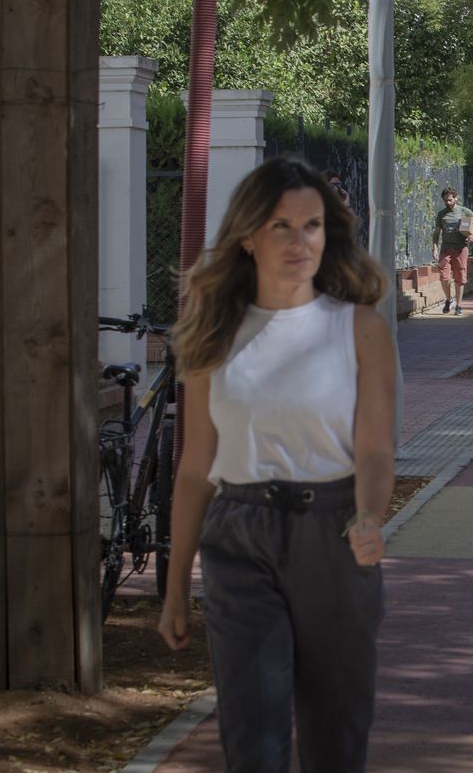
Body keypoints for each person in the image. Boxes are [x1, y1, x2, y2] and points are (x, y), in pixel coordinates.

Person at [159, 156, 395, 772]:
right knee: (254, 731)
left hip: (335, 530)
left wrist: (369, 515)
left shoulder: (362, 331)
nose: (300, 242)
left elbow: (374, 449)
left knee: (335, 732)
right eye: (281, 226)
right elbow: (195, 468)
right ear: (247, 236)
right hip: (239, 535)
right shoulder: (212, 333)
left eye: (312, 226)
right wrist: (176, 585)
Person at [431, 188, 473, 315]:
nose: (448, 203)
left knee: (460, 277)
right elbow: (437, 233)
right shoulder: (441, 214)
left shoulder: (464, 211)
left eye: (450, 200)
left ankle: (459, 306)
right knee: (444, 276)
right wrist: (435, 247)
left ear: (455, 198)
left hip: (461, 249)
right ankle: (448, 300)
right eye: (445, 200)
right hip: (446, 249)